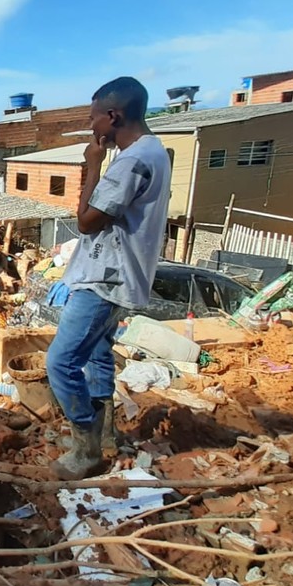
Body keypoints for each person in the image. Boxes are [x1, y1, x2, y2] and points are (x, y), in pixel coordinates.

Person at [46, 76, 172, 479]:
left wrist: (92, 164)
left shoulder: (131, 162)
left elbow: (86, 222)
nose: (92, 128)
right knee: (98, 356)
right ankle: (105, 436)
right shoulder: (152, 151)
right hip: (116, 274)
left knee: (61, 363)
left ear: (114, 115)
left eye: (94, 119)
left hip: (106, 280)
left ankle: (85, 448)